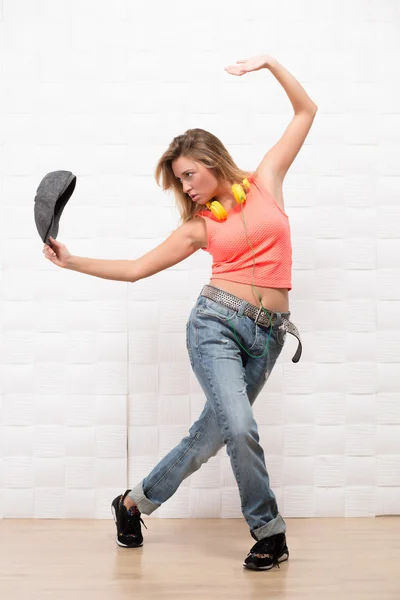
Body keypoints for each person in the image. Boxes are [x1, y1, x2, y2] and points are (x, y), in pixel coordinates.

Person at [43, 53, 317, 571]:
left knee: (211, 437)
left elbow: (305, 112)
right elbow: (136, 268)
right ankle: (270, 532)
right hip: (216, 325)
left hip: (270, 335)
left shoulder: (266, 182)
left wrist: (270, 64)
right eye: (180, 181)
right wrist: (72, 261)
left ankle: (132, 505)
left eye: (190, 175)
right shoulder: (199, 228)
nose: (187, 188)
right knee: (240, 428)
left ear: (213, 160)